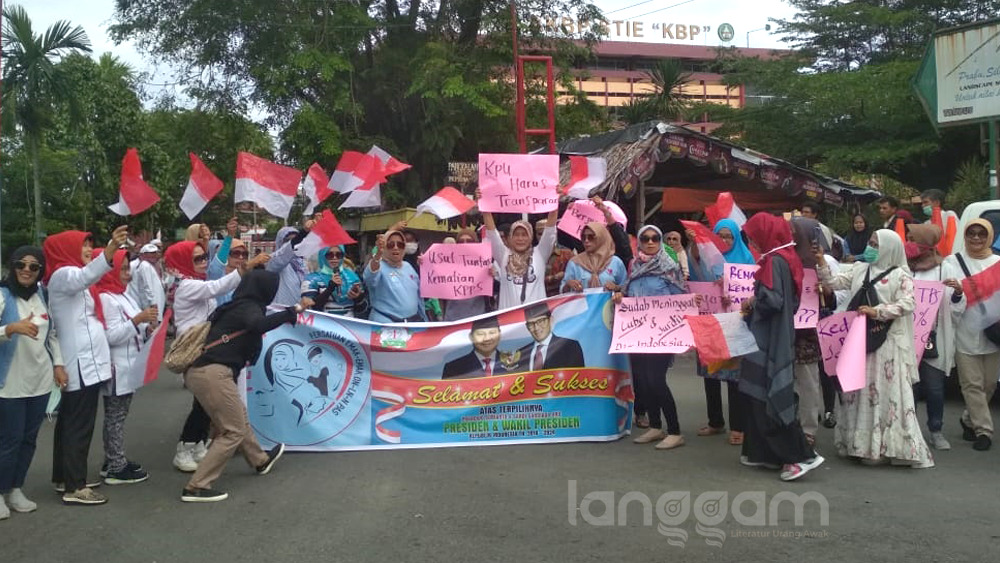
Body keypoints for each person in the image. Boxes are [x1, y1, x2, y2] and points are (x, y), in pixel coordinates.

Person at [181, 270, 312, 502]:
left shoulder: (236, 305)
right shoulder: (249, 307)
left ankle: (260, 460)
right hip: (213, 373)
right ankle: (196, 487)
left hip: (206, 372)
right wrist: (293, 311)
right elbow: (258, 324)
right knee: (233, 431)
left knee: (239, 417)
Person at [816, 229, 934, 467]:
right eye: (870, 242)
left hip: (886, 344)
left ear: (889, 249)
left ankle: (882, 448)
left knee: (881, 393)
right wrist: (821, 261)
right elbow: (834, 282)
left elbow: (909, 303)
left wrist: (877, 311)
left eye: (876, 244)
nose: (870, 248)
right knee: (856, 391)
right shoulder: (860, 268)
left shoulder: (900, 275)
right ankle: (859, 446)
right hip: (858, 341)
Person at [44, 225, 129, 505]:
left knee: (70, 424)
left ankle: (65, 477)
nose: (87, 250)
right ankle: (76, 487)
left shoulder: (71, 276)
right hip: (80, 363)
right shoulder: (63, 274)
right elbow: (85, 276)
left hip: (85, 362)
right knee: (79, 426)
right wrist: (110, 249)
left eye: (90, 245)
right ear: (65, 249)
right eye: (83, 245)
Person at [167, 240, 269, 472]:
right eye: (197, 259)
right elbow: (218, 287)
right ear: (182, 262)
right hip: (194, 350)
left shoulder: (197, 281)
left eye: (204, 257)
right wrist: (247, 265)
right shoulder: (187, 285)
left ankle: (197, 445)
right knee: (202, 405)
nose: (203, 262)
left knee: (206, 404)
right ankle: (184, 448)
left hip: (206, 348)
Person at [739, 213, 824, 481]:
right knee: (761, 393)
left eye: (754, 236)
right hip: (775, 335)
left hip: (769, 337)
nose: (752, 242)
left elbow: (773, 301)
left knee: (773, 394)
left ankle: (800, 457)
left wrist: (753, 303)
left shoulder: (774, 261)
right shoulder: (785, 258)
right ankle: (766, 453)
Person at [0, 247, 65, 518]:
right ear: (12, 266)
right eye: (21, 264)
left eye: (34, 266)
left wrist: (58, 364)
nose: (27, 270)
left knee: (28, 440)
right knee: (9, 440)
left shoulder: (42, 295)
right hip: (10, 384)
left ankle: (16, 489)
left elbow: (52, 335)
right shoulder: (3, 295)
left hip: (40, 382)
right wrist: (10, 329)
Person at [613, 225, 687, 450]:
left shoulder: (670, 267)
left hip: (662, 334)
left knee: (656, 380)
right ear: (640, 242)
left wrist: (692, 302)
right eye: (645, 239)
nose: (650, 242)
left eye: (655, 238)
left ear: (660, 241)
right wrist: (620, 296)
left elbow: (681, 298)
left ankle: (675, 431)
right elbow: (628, 293)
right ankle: (655, 426)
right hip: (638, 334)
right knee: (644, 381)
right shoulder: (635, 266)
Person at [94, 250, 158, 485]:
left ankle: (113, 459)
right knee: (115, 417)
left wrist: (145, 327)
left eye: (127, 268)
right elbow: (111, 336)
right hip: (117, 366)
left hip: (128, 365)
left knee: (118, 415)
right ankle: (115, 466)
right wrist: (138, 320)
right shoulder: (106, 298)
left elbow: (131, 325)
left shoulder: (121, 294)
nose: (127, 274)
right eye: (122, 269)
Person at [695, 218, 753, 445]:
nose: (725, 240)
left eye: (729, 236)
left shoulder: (746, 258)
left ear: (736, 238)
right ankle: (715, 421)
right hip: (710, 322)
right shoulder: (707, 258)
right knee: (710, 373)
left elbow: (751, 290)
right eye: (720, 236)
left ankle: (739, 426)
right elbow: (697, 282)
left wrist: (734, 294)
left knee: (734, 377)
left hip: (736, 323)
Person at [906, 224, 964, 451]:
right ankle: (909, 431)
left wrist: (957, 293)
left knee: (934, 388)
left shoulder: (945, 268)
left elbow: (956, 307)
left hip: (934, 337)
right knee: (909, 387)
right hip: (907, 337)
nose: (909, 244)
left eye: (913, 239)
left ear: (925, 242)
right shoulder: (904, 266)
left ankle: (935, 430)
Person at [944, 219, 1000, 451]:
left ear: (989, 236)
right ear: (965, 236)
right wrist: (958, 293)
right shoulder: (952, 262)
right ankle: (984, 431)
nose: (976, 238)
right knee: (972, 384)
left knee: (989, 384)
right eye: (971, 233)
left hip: (993, 334)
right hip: (964, 332)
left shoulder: (997, 263)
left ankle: (968, 419)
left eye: (981, 234)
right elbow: (946, 299)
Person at [479, 191, 559, 309]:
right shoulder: (504, 256)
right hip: (509, 319)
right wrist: (484, 202)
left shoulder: (540, 254)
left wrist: (554, 198)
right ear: (510, 238)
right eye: (516, 235)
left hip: (536, 317)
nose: (520, 239)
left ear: (531, 237)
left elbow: (550, 231)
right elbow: (492, 233)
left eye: (524, 235)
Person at [365, 226, 425, 323]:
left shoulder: (408, 266)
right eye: (390, 244)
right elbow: (369, 279)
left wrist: (426, 268)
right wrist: (378, 255)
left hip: (411, 324)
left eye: (400, 244)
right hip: (386, 324)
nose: (396, 247)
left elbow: (421, 292)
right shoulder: (378, 265)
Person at [515, 302, 584, 371]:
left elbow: (578, 375)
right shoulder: (521, 353)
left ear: (551, 320)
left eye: (541, 321)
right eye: (531, 324)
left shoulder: (569, 346)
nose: (536, 328)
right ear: (527, 327)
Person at [561, 222, 627, 294]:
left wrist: (615, 287)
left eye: (591, 237)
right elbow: (562, 291)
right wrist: (568, 285)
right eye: (584, 237)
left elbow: (626, 288)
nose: (586, 241)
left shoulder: (615, 262)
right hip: (582, 301)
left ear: (601, 238)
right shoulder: (575, 263)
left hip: (608, 301)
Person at [441, 229, 490, 321]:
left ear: (476, 243)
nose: (465, 243)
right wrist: (425, 264)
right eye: (461, 241)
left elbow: (494, 290)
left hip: (478, 320)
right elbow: (435, 289)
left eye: (469, 241)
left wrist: (492, 276)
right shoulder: (446, 263)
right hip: (452, 320)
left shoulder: (484, 264)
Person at [303, 246, 364, 317]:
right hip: (324, 320)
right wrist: (330, 288)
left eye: (339, 255)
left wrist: (358, 298)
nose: (335, 258)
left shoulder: (353, 276)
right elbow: (309, 307)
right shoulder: (312, 279)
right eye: (330, 255)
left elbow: (363, 309)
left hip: (349, 320)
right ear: (322, 256)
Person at [442, 316, 508, 378]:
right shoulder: (453, 368)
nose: (487, 338)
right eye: (480, 334)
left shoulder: (511, 362)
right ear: (471, 337)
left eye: (492, 333)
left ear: (500, 334)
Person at [267, 224, 313, 307]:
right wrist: (303, 232)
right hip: (283, 311)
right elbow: (285, 252)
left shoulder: (303, 263)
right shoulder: (274, 261)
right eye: (287, 240)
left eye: (297, 240)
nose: (294, 243)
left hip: (303, 311)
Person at [127, 243, 165, 320]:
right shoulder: (145, 265)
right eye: (150, 253)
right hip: (149, 305)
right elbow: (148, 287)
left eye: (154, 253)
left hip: (155, 304)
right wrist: (153, 304)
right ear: (142, 254)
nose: (153, 255)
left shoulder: (152, 265)